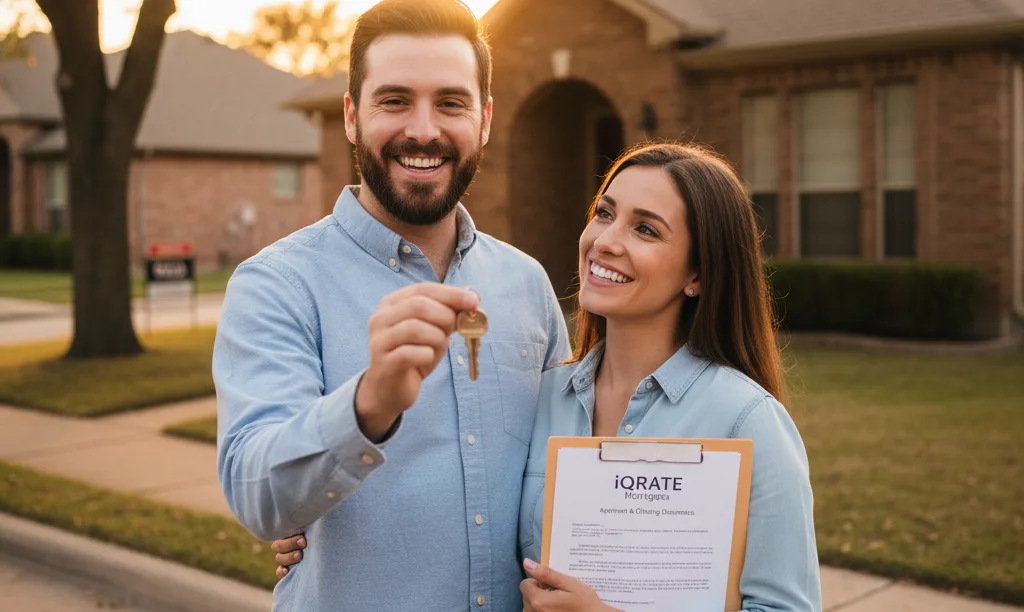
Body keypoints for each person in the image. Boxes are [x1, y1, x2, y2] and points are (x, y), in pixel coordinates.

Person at [273, 143, 822, 612]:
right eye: (604, 213)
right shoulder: (544, 399)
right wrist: (313, 529)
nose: (606, 240)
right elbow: (467, 497)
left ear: (698, 274)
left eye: (646, 230)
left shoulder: (749, 422)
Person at [213, 0, 569, 610]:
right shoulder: (276, 284)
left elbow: (569, 464)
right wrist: (367, 404)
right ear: (352, 116)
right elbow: (258, 497)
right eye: (395, 100)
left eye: (451, 103)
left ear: (484, 120)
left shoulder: (527, 283)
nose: (425, 130)